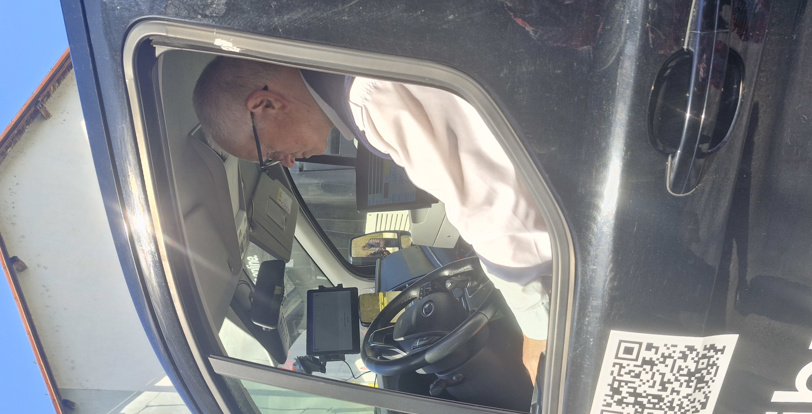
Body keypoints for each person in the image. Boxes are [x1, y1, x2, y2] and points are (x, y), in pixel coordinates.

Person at [192, 57, 551, 380]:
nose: (287, 161)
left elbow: (495, 209)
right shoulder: (362, 77)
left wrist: (538, 329)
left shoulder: (375, 98)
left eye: (270, 152)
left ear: (266, 104)